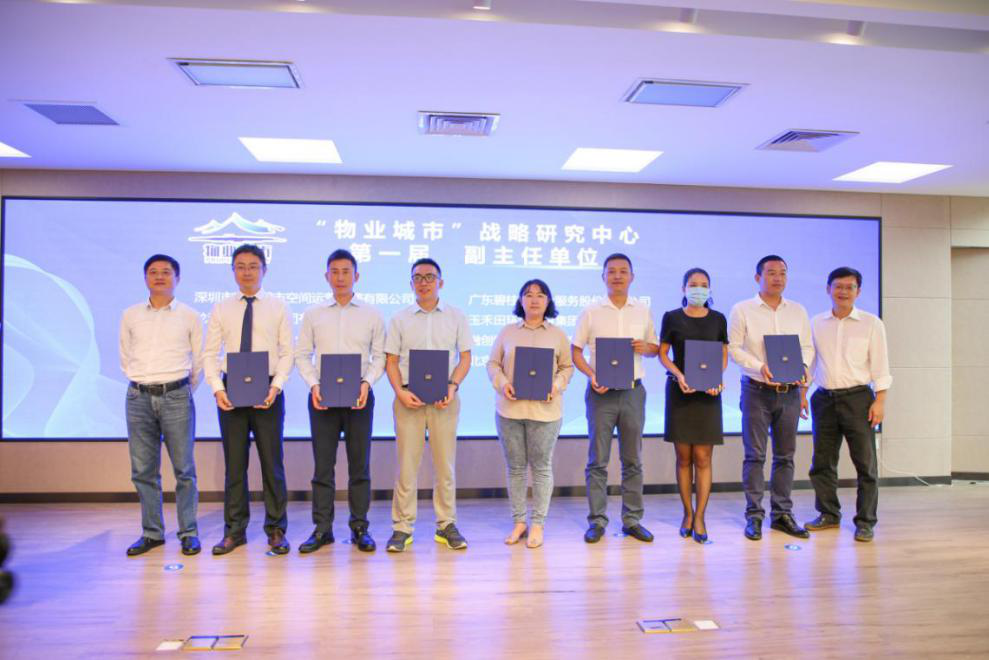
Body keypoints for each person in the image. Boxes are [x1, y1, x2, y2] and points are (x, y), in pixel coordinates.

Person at [204, 244, 294, 556]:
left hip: (268, 389)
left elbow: (287, 352)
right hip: (231, 390)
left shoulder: (278, 307)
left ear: (264, 270)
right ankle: (234, 531)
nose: (247, 272)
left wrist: (276, 386)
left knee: (272, 464)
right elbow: (209, 353)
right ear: (233, 271)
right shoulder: (221, 308)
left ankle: (276, 529)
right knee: (235, 466)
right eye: (240, 266)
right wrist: (218, 388)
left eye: (253, 266)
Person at [294, 249, 385, 553]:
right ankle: (322, 529)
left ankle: (360, 528)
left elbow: (379, 356)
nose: (340, 277)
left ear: (356, 276)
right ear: (326, 276)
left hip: (360, 397)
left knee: (360, 466)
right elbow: (301, 354)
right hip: (323, 398)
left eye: (346, 271)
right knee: (323, 468)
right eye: (335, 271)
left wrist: (366, 383)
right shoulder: (313, 314)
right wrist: (314, 384)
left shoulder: (371, 314)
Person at [383, 258, 473, 552]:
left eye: (429, 277)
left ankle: (446, 524)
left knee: (445, 466)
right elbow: (391, 361)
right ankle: (402, 527)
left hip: (445, 399)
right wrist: (400, 392)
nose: (424, 282)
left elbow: (465, 358)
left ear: (440, 282)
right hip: (408, 398)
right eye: (418, 278)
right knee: (406, 466)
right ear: (411, 283)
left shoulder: (456, 316)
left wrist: (453, 386)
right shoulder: (399, 319)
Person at [119, 254, 203, 557]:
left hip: (176, 395)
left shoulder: (190, 315)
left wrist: (180, 389)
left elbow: (198, 361)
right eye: (153, 272)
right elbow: (125, 356)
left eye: (166, 272)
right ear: (145, 278)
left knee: (184, 470)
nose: (159, 277)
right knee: (143, 470)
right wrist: (142, 381)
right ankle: (152, 533)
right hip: (138, 397)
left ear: (177, 278)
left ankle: (188, 532)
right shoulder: (130, 315)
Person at [572, 253, 659, 544]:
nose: (617, 276)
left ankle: (632, 520)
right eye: (612, 271)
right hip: (601, 394)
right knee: (598, 460)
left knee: (632, 459)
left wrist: (646, 347)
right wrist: (591, 375)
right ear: (603, 277)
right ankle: (597, 521)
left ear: (632, 277)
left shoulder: (642, 310)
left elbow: (655, 348)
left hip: (633, 392)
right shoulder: (591, 311)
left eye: (623, 271)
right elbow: (576, 351)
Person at [728, 255, 814, 541]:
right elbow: (734, 349)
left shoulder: (798, 311)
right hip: (756, 390)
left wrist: (803, 366)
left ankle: (782, 515)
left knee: (785, 456)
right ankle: (754, 515)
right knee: (755, 455)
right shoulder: (742, 309)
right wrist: (759, 366)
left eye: (782, 273)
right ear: (758, 278)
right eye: (771, 273)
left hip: (789, 393)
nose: (778, 278)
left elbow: (807, 347)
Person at [805, 267, 891, 543]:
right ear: (828, 289)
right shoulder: (816, 323)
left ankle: (865, 522)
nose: (843, 292)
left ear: (858, 291)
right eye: (838, 286)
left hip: (858, 399)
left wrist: (880, 401)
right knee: (822, 463)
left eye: (849, 287)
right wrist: (802, 392)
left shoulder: (871, 323)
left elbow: (881, 366)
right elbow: (810, 362)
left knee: (865, 465)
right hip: (824, 399)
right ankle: (828, 514)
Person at [487, 279, 574, 548]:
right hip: (510, 410)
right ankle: (519, 522)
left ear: (548, 301)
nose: (534, 299)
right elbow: (492, 364)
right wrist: (503, 383)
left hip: (545, 412)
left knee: (541, 467)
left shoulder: (558, 334)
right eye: (528, 294)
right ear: (520, 301)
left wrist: (556, 386)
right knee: (515, 468)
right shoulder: (507, 332)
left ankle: (537, 523)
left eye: (540, 295)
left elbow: (567, 367)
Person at [657, 267, 728, 545]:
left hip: (708, 394)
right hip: (680, 391)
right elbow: (663, 353)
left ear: (709, 289)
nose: (698, 289)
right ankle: (687, 513)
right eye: (693, 284)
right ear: (683, 288)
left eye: (703, 284)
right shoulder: (672, 317)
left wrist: (716, 378)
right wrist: (678, 375)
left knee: (703, 458)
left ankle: (700, 516)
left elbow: (723, 354)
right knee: (683, 458)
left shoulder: (718, 319)